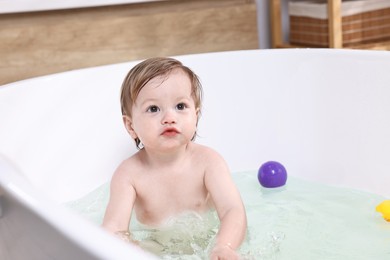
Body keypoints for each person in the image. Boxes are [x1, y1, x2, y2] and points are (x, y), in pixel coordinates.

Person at [102, 57, 247, 259]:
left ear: (195, 116)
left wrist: (224, 246)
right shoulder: (128, 175)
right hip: (154, 247)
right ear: (131, 126)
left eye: (180, 106)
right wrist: (131, 249)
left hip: (208, 241)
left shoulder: (208, 162)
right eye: (153, 109)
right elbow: (113, 228)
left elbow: (233, 211)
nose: (170, 117)